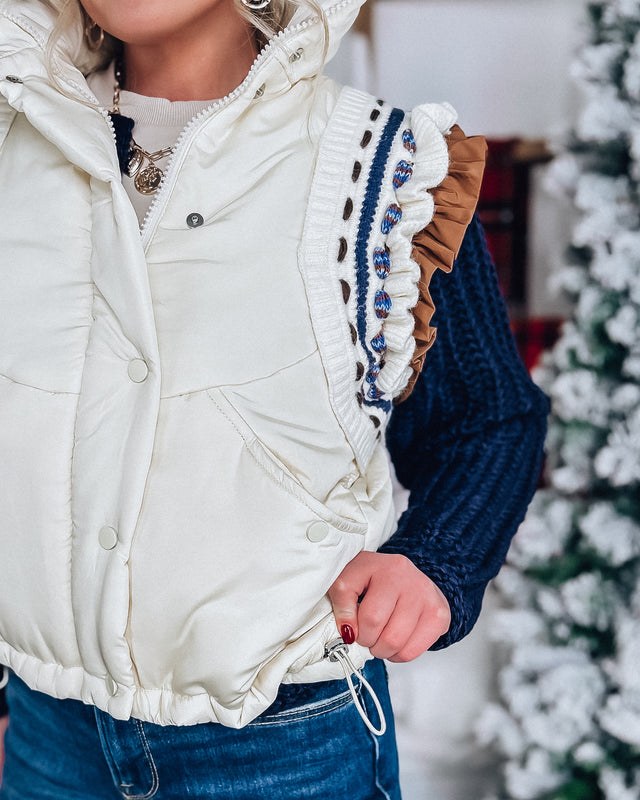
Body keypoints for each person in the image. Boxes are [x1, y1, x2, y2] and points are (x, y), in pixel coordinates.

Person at [0, 0, 549, 796]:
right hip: (49, 736)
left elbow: (487, 420)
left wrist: (434, 561)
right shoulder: (15, 146)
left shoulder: (377, 170)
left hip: (283, 749)